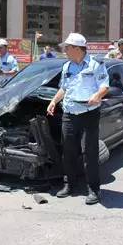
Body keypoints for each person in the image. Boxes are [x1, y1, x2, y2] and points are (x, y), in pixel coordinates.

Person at [47, 33, 109, 205]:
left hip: (89, 113)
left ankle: (94, 190)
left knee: (89, 153)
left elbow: (105, 86)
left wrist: (97, 95)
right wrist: (53, 102)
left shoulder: (96, 65)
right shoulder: (67, 66)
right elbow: (63, 88)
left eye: (67, 47)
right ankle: (70, 185)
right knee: (68, 152)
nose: (64, 50)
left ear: (77, 49)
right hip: (70, 113)